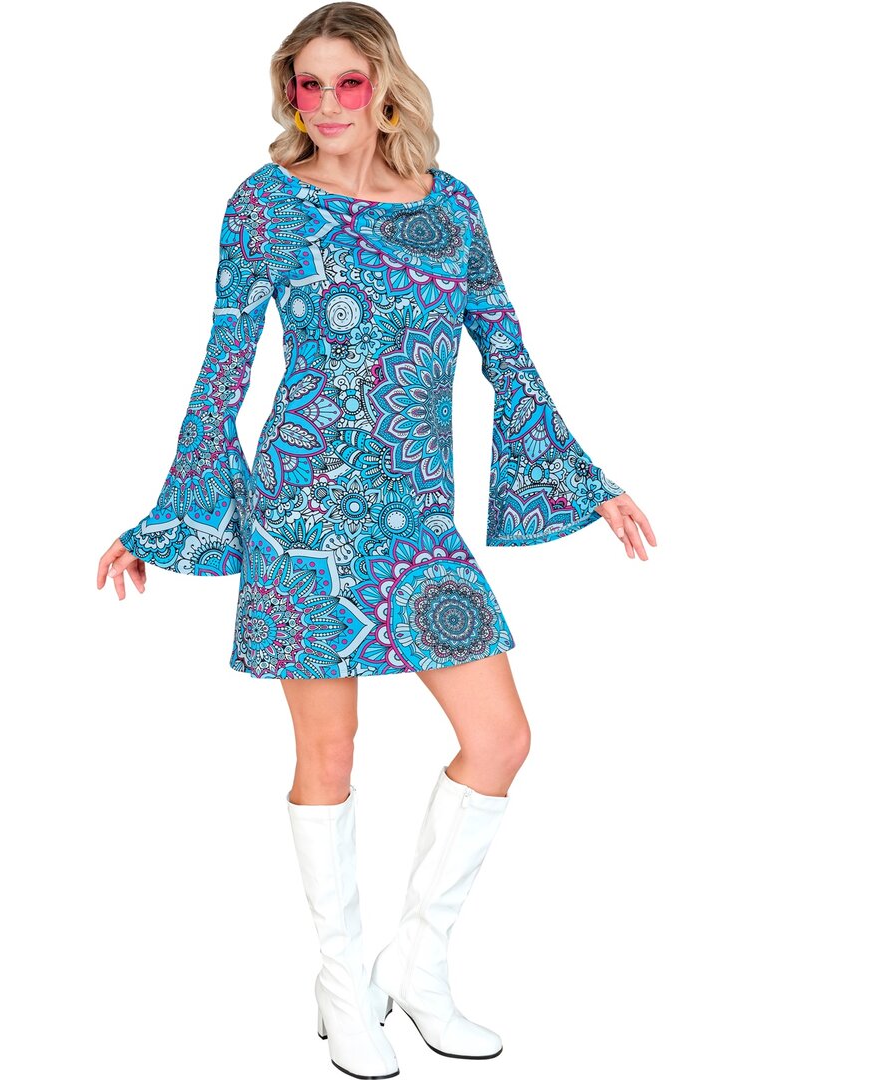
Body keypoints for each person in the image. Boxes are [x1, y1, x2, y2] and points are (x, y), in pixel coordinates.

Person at [97, 3, 656, 1076]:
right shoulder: (265, 204)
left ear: (384, 86)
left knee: (501, 738)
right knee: (330, 753)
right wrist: (166, 519)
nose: (325, 103)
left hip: (418, 519)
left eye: (346, 82)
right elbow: (224, 363)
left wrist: (586, 481)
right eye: (305, 84)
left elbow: (505, 348)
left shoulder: (450, 208)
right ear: (288, 93)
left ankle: (419, 965)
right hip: (303, 514)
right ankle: (342, 978)